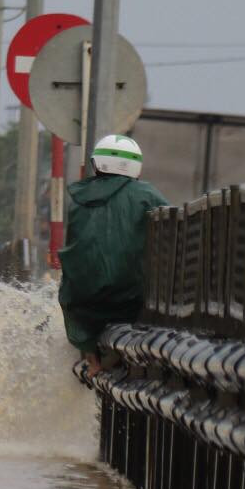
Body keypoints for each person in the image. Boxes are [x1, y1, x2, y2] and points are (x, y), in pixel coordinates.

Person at [58, 133, 168, 374]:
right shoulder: (147, 196)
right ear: (136, 167)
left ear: (97, 164)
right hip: (130, 301)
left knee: (70, 290)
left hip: (83, 303)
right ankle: (118, 361)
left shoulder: (78, 200)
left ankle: (90, 356)